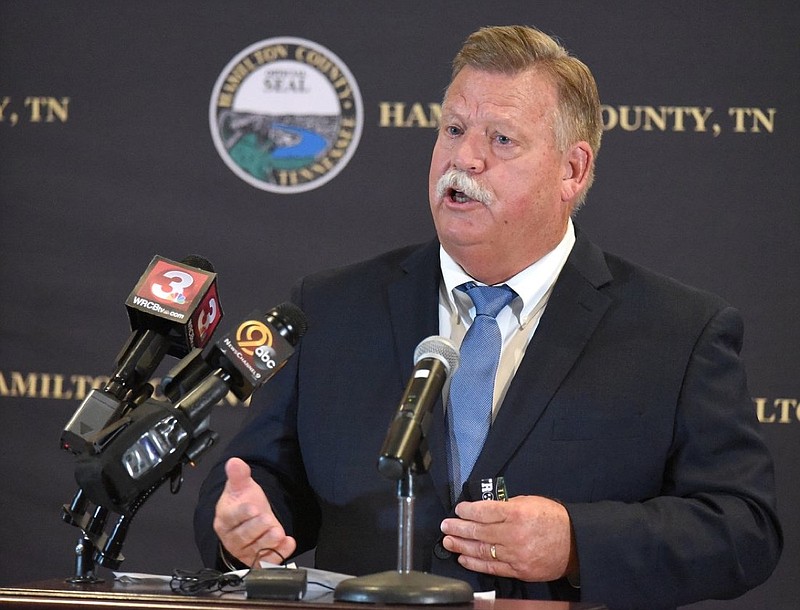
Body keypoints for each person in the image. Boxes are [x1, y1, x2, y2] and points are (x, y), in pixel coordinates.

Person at [195, 25, 782, 608]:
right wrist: (242, 527)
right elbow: (260, 480)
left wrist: (579, 542)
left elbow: (742, 528)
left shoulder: (677, 331)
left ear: (571, 171)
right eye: (453, 129)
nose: (463, 158)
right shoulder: (333, 307)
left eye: (501, 139)